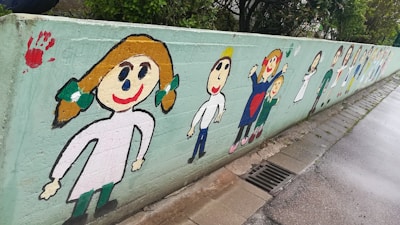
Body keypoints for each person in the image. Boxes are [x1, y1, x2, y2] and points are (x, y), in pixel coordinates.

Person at [39, 34, 178, 225]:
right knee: (89, 183)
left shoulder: (138, 117)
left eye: (142, 73)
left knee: (112, 177)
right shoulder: (103, 126)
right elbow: (76, 144)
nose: (130, 84)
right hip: (98, 160)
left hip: (118, 158)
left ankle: (102, 204)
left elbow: (148, 128)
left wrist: (140, 157)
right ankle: (78, 215)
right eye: (122, 75)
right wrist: (56, 177)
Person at [229, 49, 287, 154]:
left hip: (257, 105)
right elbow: (254, 83)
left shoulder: (266, 84)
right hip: (251, 103)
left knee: (251, 122)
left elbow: (273, 80)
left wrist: (281, 72)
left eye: (274, 63)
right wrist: (253, 73)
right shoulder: (258, 83)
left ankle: (246, 136)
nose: (271, 65)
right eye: (270, 61)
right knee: (244, 122)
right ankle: (236, 141)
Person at [187, 47, 233, 163]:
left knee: (203, 138)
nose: (219, 77)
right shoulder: (207, 104)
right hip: (203, 125)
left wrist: (220, 115)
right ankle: (195, 154)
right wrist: (192, 127)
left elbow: (221, 105)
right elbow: (199, 114)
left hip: (206, 125)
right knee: (200, 139)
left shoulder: (219, 97)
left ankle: (199, 152)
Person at [249, 75, 284, 142]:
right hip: (261, 113)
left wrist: (278, 99)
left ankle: (260, 128)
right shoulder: (266, 96)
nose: (276, 88)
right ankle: (255, 131)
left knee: (263, 121)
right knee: (259, 120)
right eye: (275, 84)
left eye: (278, 86)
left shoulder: (273, 100)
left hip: (266, 114)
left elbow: (277, 101)